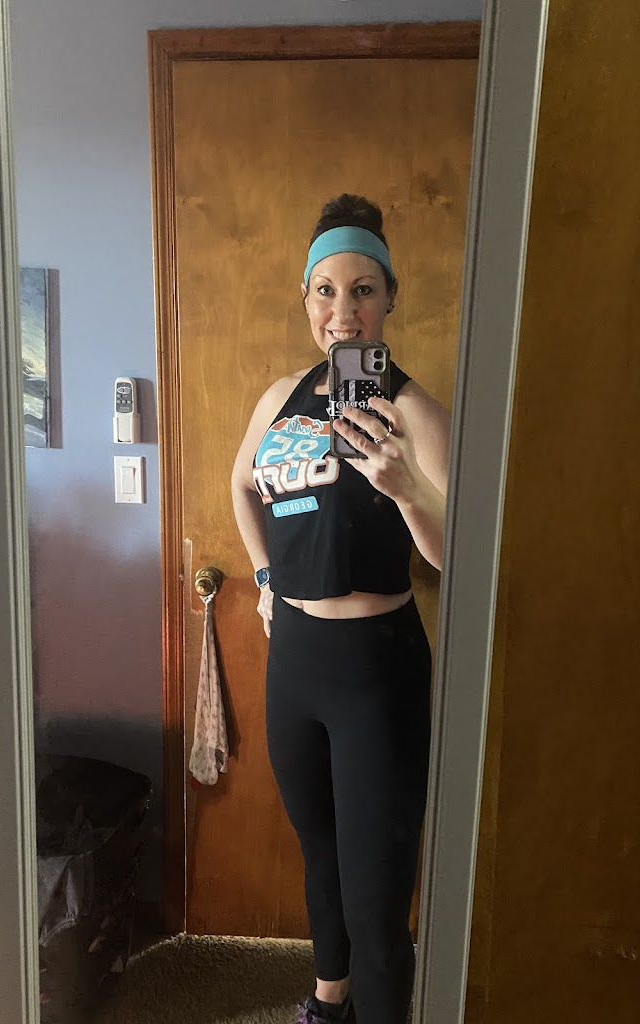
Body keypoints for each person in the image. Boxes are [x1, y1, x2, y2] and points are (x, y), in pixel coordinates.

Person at [231, 194, 450, 1024]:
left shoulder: (415, 412)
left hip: (375, 674)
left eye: (363, 290)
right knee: (319, 856)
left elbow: (461, 557)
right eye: (326, 290)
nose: (342, 310)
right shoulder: (280, 398)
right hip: (294, 664)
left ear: (389, 298)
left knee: (375, 897)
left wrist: (408, 488)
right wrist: (263, 577)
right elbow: (241, 485)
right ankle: (329, 1003)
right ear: (306, 299)